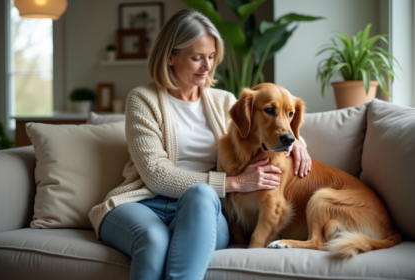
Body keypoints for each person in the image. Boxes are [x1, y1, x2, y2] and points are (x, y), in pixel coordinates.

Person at [88, 9, 311, 280]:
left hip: (205, 208)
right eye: (197, 58)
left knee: (201, 194)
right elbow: (156, 176)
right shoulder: (142, 99)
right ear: (170, 56)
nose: (207, 66)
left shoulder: (224, 101)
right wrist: (235, 183)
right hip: (144, 202)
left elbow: (272, 126)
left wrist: (298, 142)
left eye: (211, 57)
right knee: (153, 239)